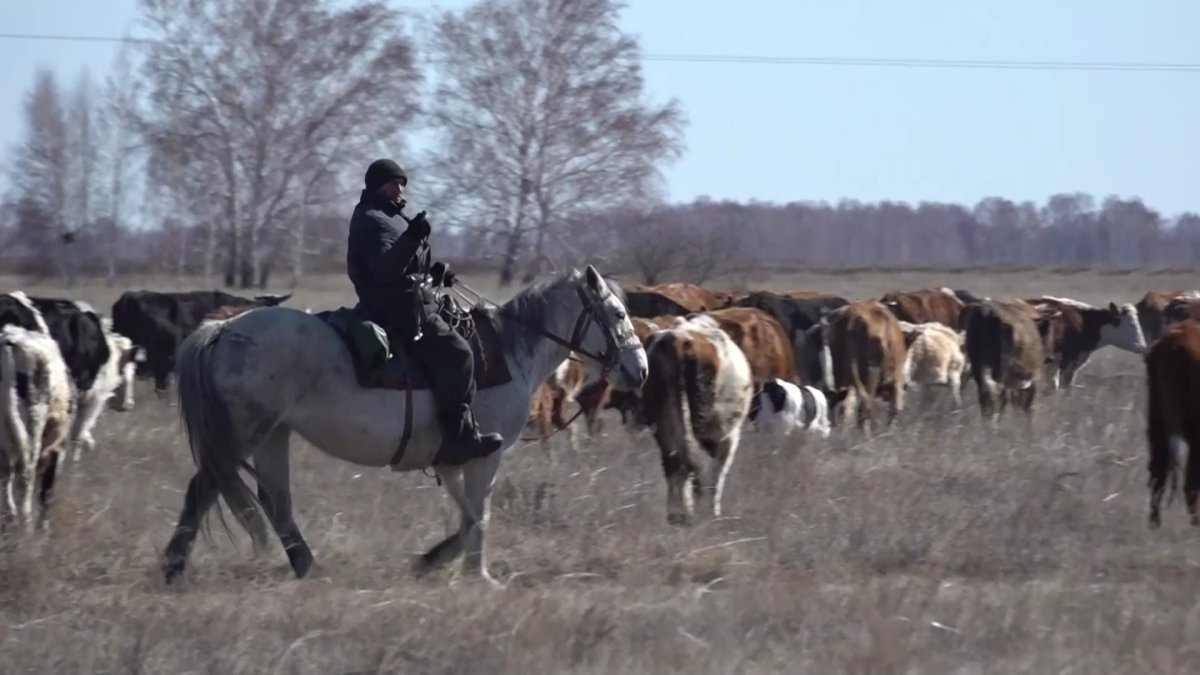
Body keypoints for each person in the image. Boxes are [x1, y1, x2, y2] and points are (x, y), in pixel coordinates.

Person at [346, 158, 504, 465]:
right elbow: (384, 269)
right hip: (395, 308)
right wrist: (413, 236)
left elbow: (404, 263)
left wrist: (433, 272)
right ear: (379, 186)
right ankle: (455, 438)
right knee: (459, 355)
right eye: (394, 183)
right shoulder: (371, 218)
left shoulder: (390, 215)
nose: (401, 187)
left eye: (403, 182)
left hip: (410, 298)